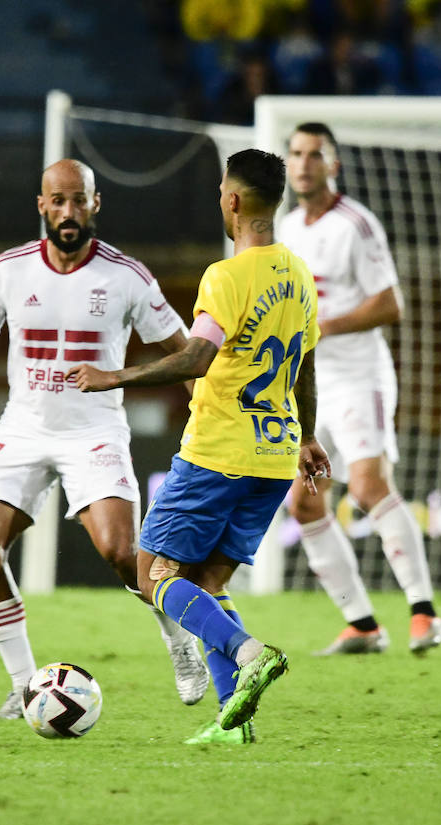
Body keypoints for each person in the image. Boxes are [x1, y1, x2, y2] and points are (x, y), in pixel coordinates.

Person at [0, 158, 210, 720]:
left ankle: (180, 641)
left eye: (78, 200)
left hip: (95, 428)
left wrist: (136, 386)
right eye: (57, 201)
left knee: (122, 552)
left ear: (95, 203)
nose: (68, 212)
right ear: (41, 206)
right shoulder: (9, 271)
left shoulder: (126, 276)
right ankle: (21, 686)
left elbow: (186, 357)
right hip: (24, 426)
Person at [68, 148, 329, 745]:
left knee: (154, 574)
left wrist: (115, 377)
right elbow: (306, 367)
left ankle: (250, 651)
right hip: (275, 453)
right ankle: (235, 722)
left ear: (232, 200)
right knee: (209, 584)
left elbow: (197, 356)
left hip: (218, 452)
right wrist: (308, 435)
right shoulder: (298, 274)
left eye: (220, 190)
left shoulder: (227, 277)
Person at [276, 122, 441, 657]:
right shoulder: (285, 229)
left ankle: (424, 614)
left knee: (370, 486)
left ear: (334, 164)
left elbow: (390, 304)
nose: (304, 163)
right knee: (304, 504)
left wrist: (321, 327)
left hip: (357, 377)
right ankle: (362, 624)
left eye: (315, 154)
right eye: (296, 153)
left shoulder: (356, 224)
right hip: (307, 385)